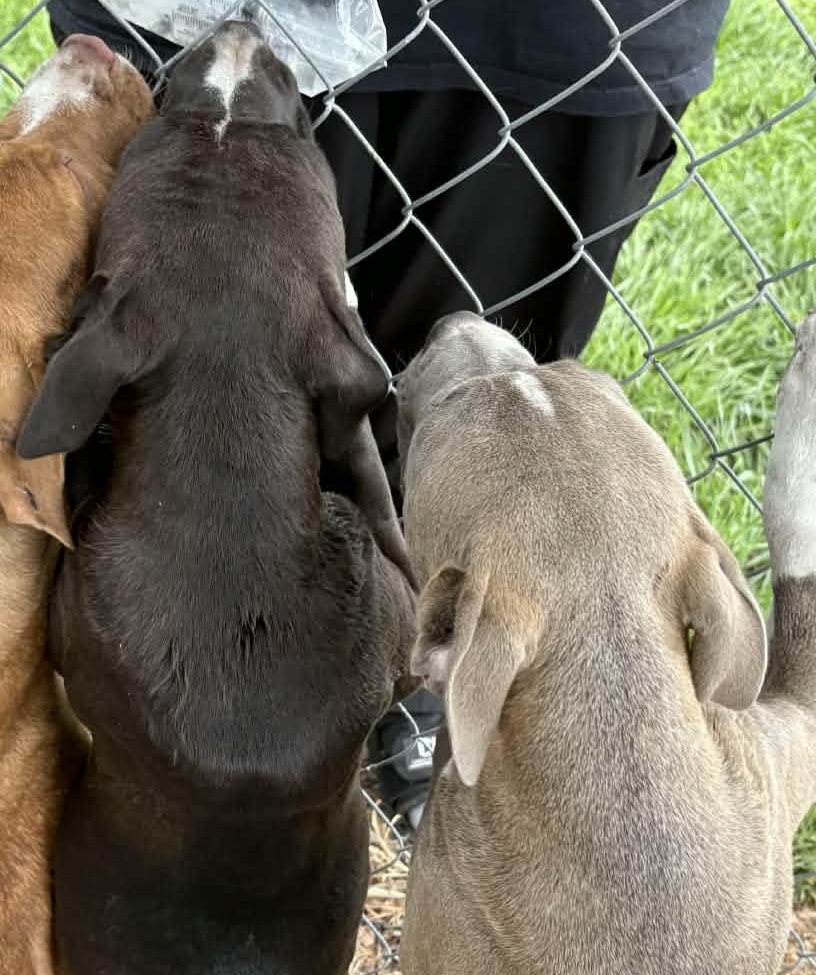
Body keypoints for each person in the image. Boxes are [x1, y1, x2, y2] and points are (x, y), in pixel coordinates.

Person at [45, 0, 733, 821]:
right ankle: (156, 683)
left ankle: (419, 655)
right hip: (218, 16)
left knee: (463, 387)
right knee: (184, 360)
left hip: (551, 38)